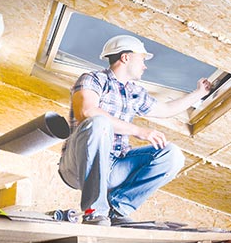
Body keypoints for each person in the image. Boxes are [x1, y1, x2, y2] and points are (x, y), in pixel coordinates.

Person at [58, 35, 212, 226]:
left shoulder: (134, 92)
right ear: (126, 57)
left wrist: (199, 93)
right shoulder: (94, 79)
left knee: (172, 155)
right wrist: (139, 131)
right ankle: (94, 211)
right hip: (77, 165)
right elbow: (87, 112)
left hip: (115, 167)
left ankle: (118, 208)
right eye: (142, 59)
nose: (145, 66)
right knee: (99, 122)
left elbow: (166, 110)